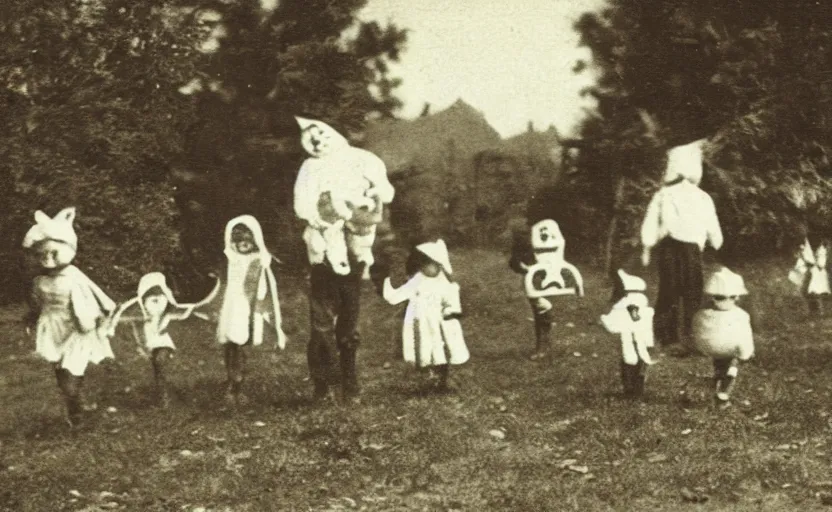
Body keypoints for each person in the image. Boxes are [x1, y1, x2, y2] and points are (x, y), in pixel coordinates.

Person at [294, 116, 394, 402]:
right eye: (312, 138)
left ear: (334, 132)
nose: (318, 141)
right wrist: (319, 219)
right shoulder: (310, 167)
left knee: (348, 322)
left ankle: (350, 384)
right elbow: (301, 203)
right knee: (321, 321)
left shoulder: (362, 159)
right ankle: (323, 383)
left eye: (323, 134)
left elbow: (384, 191)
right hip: (323, 248)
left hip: (355, 245)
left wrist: (370, 198)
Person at [22, 207, 116, 426]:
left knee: (71, 372)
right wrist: (30, 317)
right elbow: (37, 305)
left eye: (53, 253)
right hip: (53, 328)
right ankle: (76, 406)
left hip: (76, 328)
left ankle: (77, 406)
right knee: (60, 371)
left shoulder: (74, 276)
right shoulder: (39, 281)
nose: (48, 259)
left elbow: (100, 299)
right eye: (42, 254)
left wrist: (102, 319)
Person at [640, 139, 723, 353]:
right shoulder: (667, 195)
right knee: (672, 291)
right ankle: (668, 337)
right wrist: (648, 244)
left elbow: (711, 222)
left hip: (690, 248)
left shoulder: (699, 196)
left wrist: (714, 238)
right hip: (673, 245)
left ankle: (689, 336)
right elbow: (653, 220)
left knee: (689, 291)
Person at [194, 215, 286, 405]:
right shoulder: (230, 258)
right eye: (238, 240)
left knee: (240, 342)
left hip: (248, 305)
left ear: (255, 240)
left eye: (248, 240)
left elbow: (266, 288)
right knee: (231, 343)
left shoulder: (259, 260)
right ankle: (232, 380)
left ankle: (237, 382)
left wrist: (266, 312)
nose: (243, 244)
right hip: (231, 305)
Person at [381, 239, 469, 392]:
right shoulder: (417, 280)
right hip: (420, 322)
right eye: (422, 265)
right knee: (424, 350)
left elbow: (452, 300)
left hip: (439, 322)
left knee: (442, 350)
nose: (425, 269)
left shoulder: (445, 283)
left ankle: (442, 379)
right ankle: (429, 378)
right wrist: (389, 285)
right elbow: (399, 294)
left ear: (439, 264)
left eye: (429, 264)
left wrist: (450, 312)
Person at [109, 272, 197, 408]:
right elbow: (132, 328)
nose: (159, 304)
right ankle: (165, 394)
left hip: (162, 342)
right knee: (158, 369)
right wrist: (140, 344)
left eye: (162, 299)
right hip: (147, 344)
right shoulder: (139, 316)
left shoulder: (166, 313)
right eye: (153, 300)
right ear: (144, 301)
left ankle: (165, 398)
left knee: (160, 361)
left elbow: (181, 313)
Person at [509, 219, 584, 360]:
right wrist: (524, 268)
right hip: (535, 278)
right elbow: (515, 259)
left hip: (555, 274)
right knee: (541, 309)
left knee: (542, 312)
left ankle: (544, 346)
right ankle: (543, 347)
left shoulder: (555, 230)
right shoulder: (524, 234)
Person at [691, 266, 754, 408]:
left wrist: (703, 346)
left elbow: (697, 335)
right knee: (733, 365)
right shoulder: (741, 315)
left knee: (719, 364)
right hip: (732, 350)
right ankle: (723, 394)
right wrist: (746, 354)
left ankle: (717, 384)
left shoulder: (701, 314)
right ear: (736, 297)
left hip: (711, 349)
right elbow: (745, 338)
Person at [600, 269, 655, 399]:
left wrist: (605, 319)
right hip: (639, 338)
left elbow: (633, 316)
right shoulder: (640, 301)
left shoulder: (630, 302)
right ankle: (635, 389)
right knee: (637, 363)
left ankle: (631, 389)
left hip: (633, 338)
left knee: (631, 362)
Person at [788, 237, 830, 318]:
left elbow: (818, 263)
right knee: (806, 291)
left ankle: (817, 311)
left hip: (814, 271)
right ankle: (814, 311)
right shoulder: (806, 245)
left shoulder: (820, 249)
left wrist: (806, 260)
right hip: (809, 269)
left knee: (810, 291)